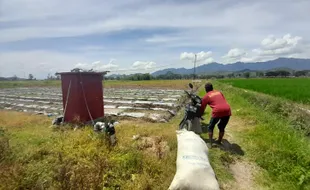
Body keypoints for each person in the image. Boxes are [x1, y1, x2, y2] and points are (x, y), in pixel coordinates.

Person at [200, 82, 231, 146]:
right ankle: (219, 142)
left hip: (217, 110)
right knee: (221, 127)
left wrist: (199, 115)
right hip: (227, 109)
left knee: (210, 127)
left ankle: (210, 143)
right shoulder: (219, 92)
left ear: (205, 89)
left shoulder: (206, 96)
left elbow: (202, 108)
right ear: (212, 88)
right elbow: (222, 101)